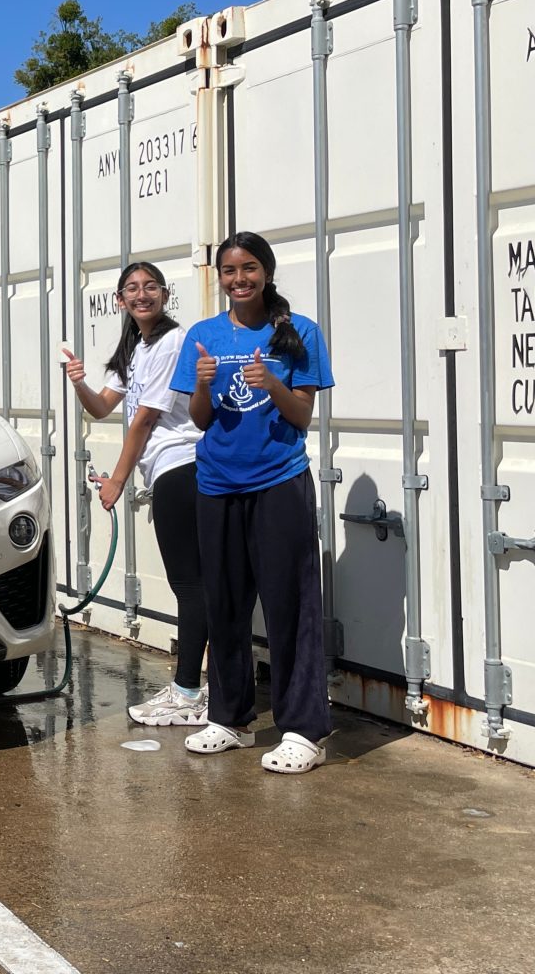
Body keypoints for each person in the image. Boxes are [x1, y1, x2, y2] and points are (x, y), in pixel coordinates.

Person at [170, 232, 335, 774]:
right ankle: (231, 718)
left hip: (279, 483)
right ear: (219, 277)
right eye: (229, 271)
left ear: (266, 271)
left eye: (248, 268)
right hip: (216, 484)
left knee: (289, 607)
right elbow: (200, 420)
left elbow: (302, 416)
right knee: (224, 606)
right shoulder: (204, 336)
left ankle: (304, 730)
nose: (238, 279)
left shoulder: (299, 331)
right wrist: (201, 385)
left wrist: (271, 383)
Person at [63, 262, 205, 725]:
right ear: (120, 300)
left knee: (190, 585)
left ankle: (188, 692)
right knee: (194, 584)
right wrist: (79, 382)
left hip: (182, 467)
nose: (142, 295)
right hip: (167, 471)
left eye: (150, 287)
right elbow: (102, 407)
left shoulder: (171, 342)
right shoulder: (136, 347)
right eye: (132, 289)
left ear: (165, 294)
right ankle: (195, 688)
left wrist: (118, 481)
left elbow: (145, 419)